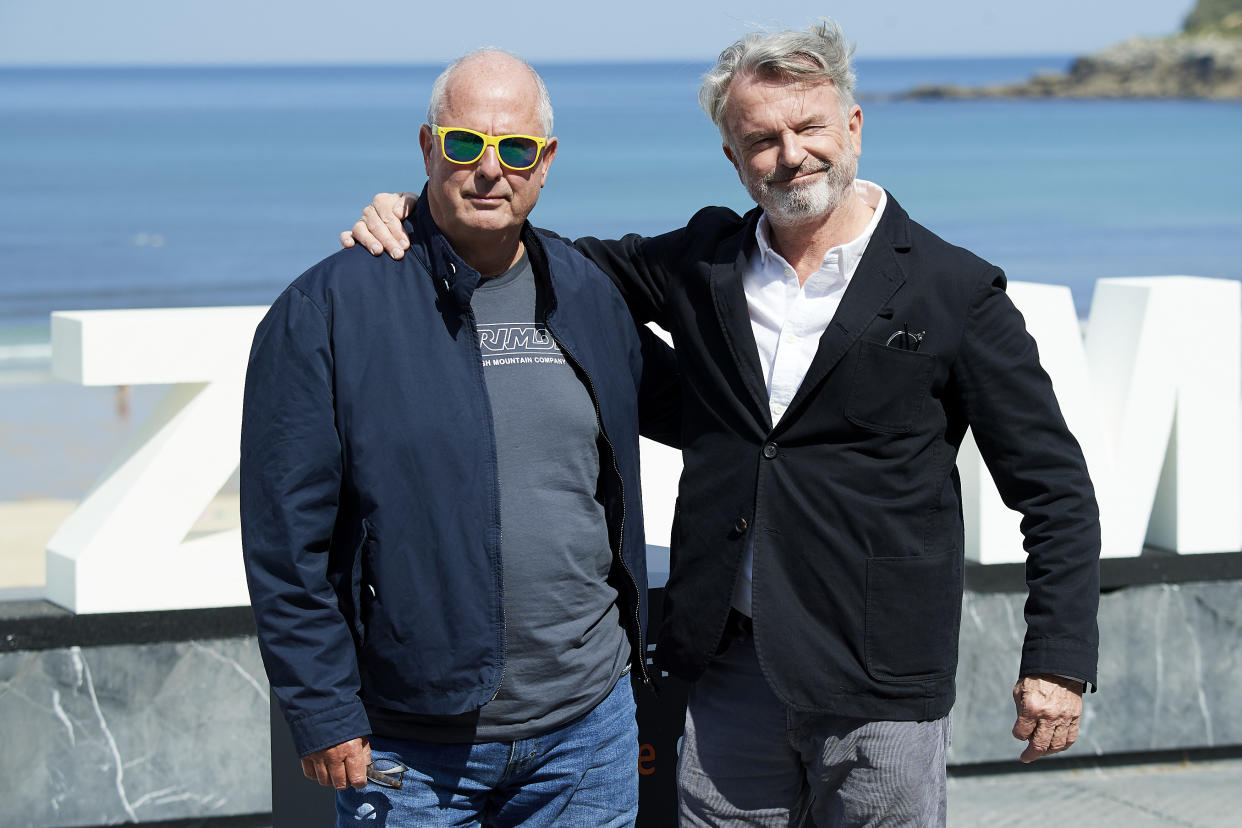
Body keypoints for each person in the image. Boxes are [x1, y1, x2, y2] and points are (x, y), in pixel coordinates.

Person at [343, 21, 1100, 827]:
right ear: (734, 160)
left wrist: (1056, 660)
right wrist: (419, 210)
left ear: (852, 127)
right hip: (728, 668)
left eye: (808, 127)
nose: (790, 155)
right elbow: (540, 252)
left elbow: (1053, 490)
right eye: (760, 139)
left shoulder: (956, 290)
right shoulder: (702, 261)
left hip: (880, 680)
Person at [242, 49, 678, 827]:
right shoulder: (328, 311)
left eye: (514, 149)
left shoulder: (588, 295)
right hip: (413, 744)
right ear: (427, 148)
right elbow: (285, 538)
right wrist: (321, 710)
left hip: (591, 730)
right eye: (465, 144)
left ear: (544, 165)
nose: (489, 170)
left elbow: (717, 411)